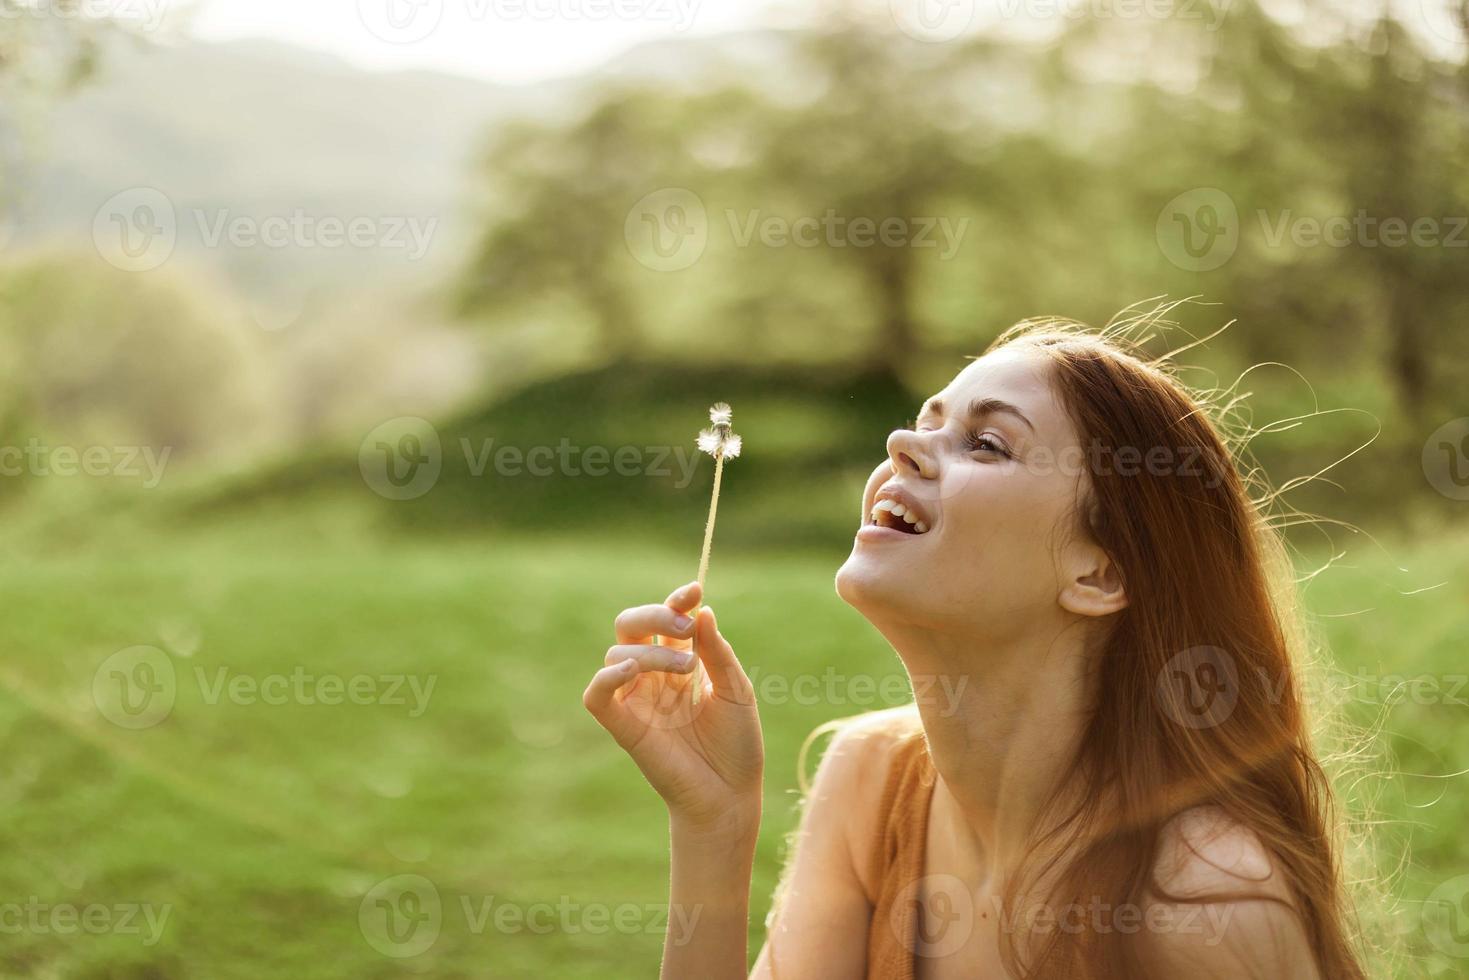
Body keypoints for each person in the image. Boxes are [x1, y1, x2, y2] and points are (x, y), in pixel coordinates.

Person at [583, 316, 1367, 979]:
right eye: (925, 423)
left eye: (986, 443)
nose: (901, 443)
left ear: (1099, 572)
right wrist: (713, 824)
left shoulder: (1205, 904)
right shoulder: (870, 778)